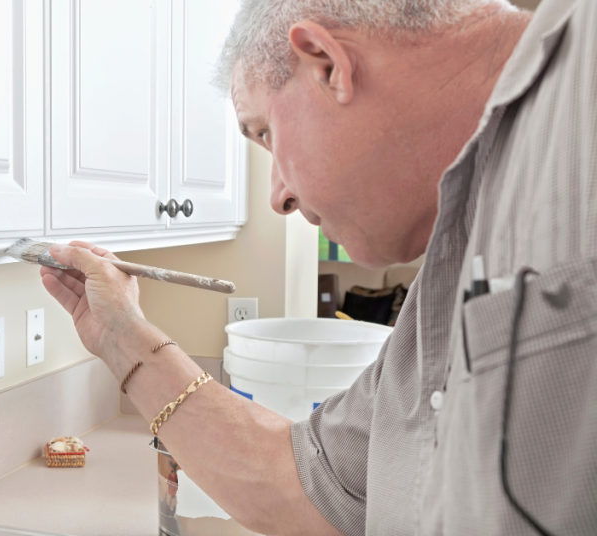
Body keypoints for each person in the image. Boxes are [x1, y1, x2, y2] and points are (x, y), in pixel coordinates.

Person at [38, 0, 597, 534]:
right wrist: (120, 334)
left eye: (265, 133)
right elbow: (304, 485)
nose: (278, 197)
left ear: (327, 66)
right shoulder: (443, 282)